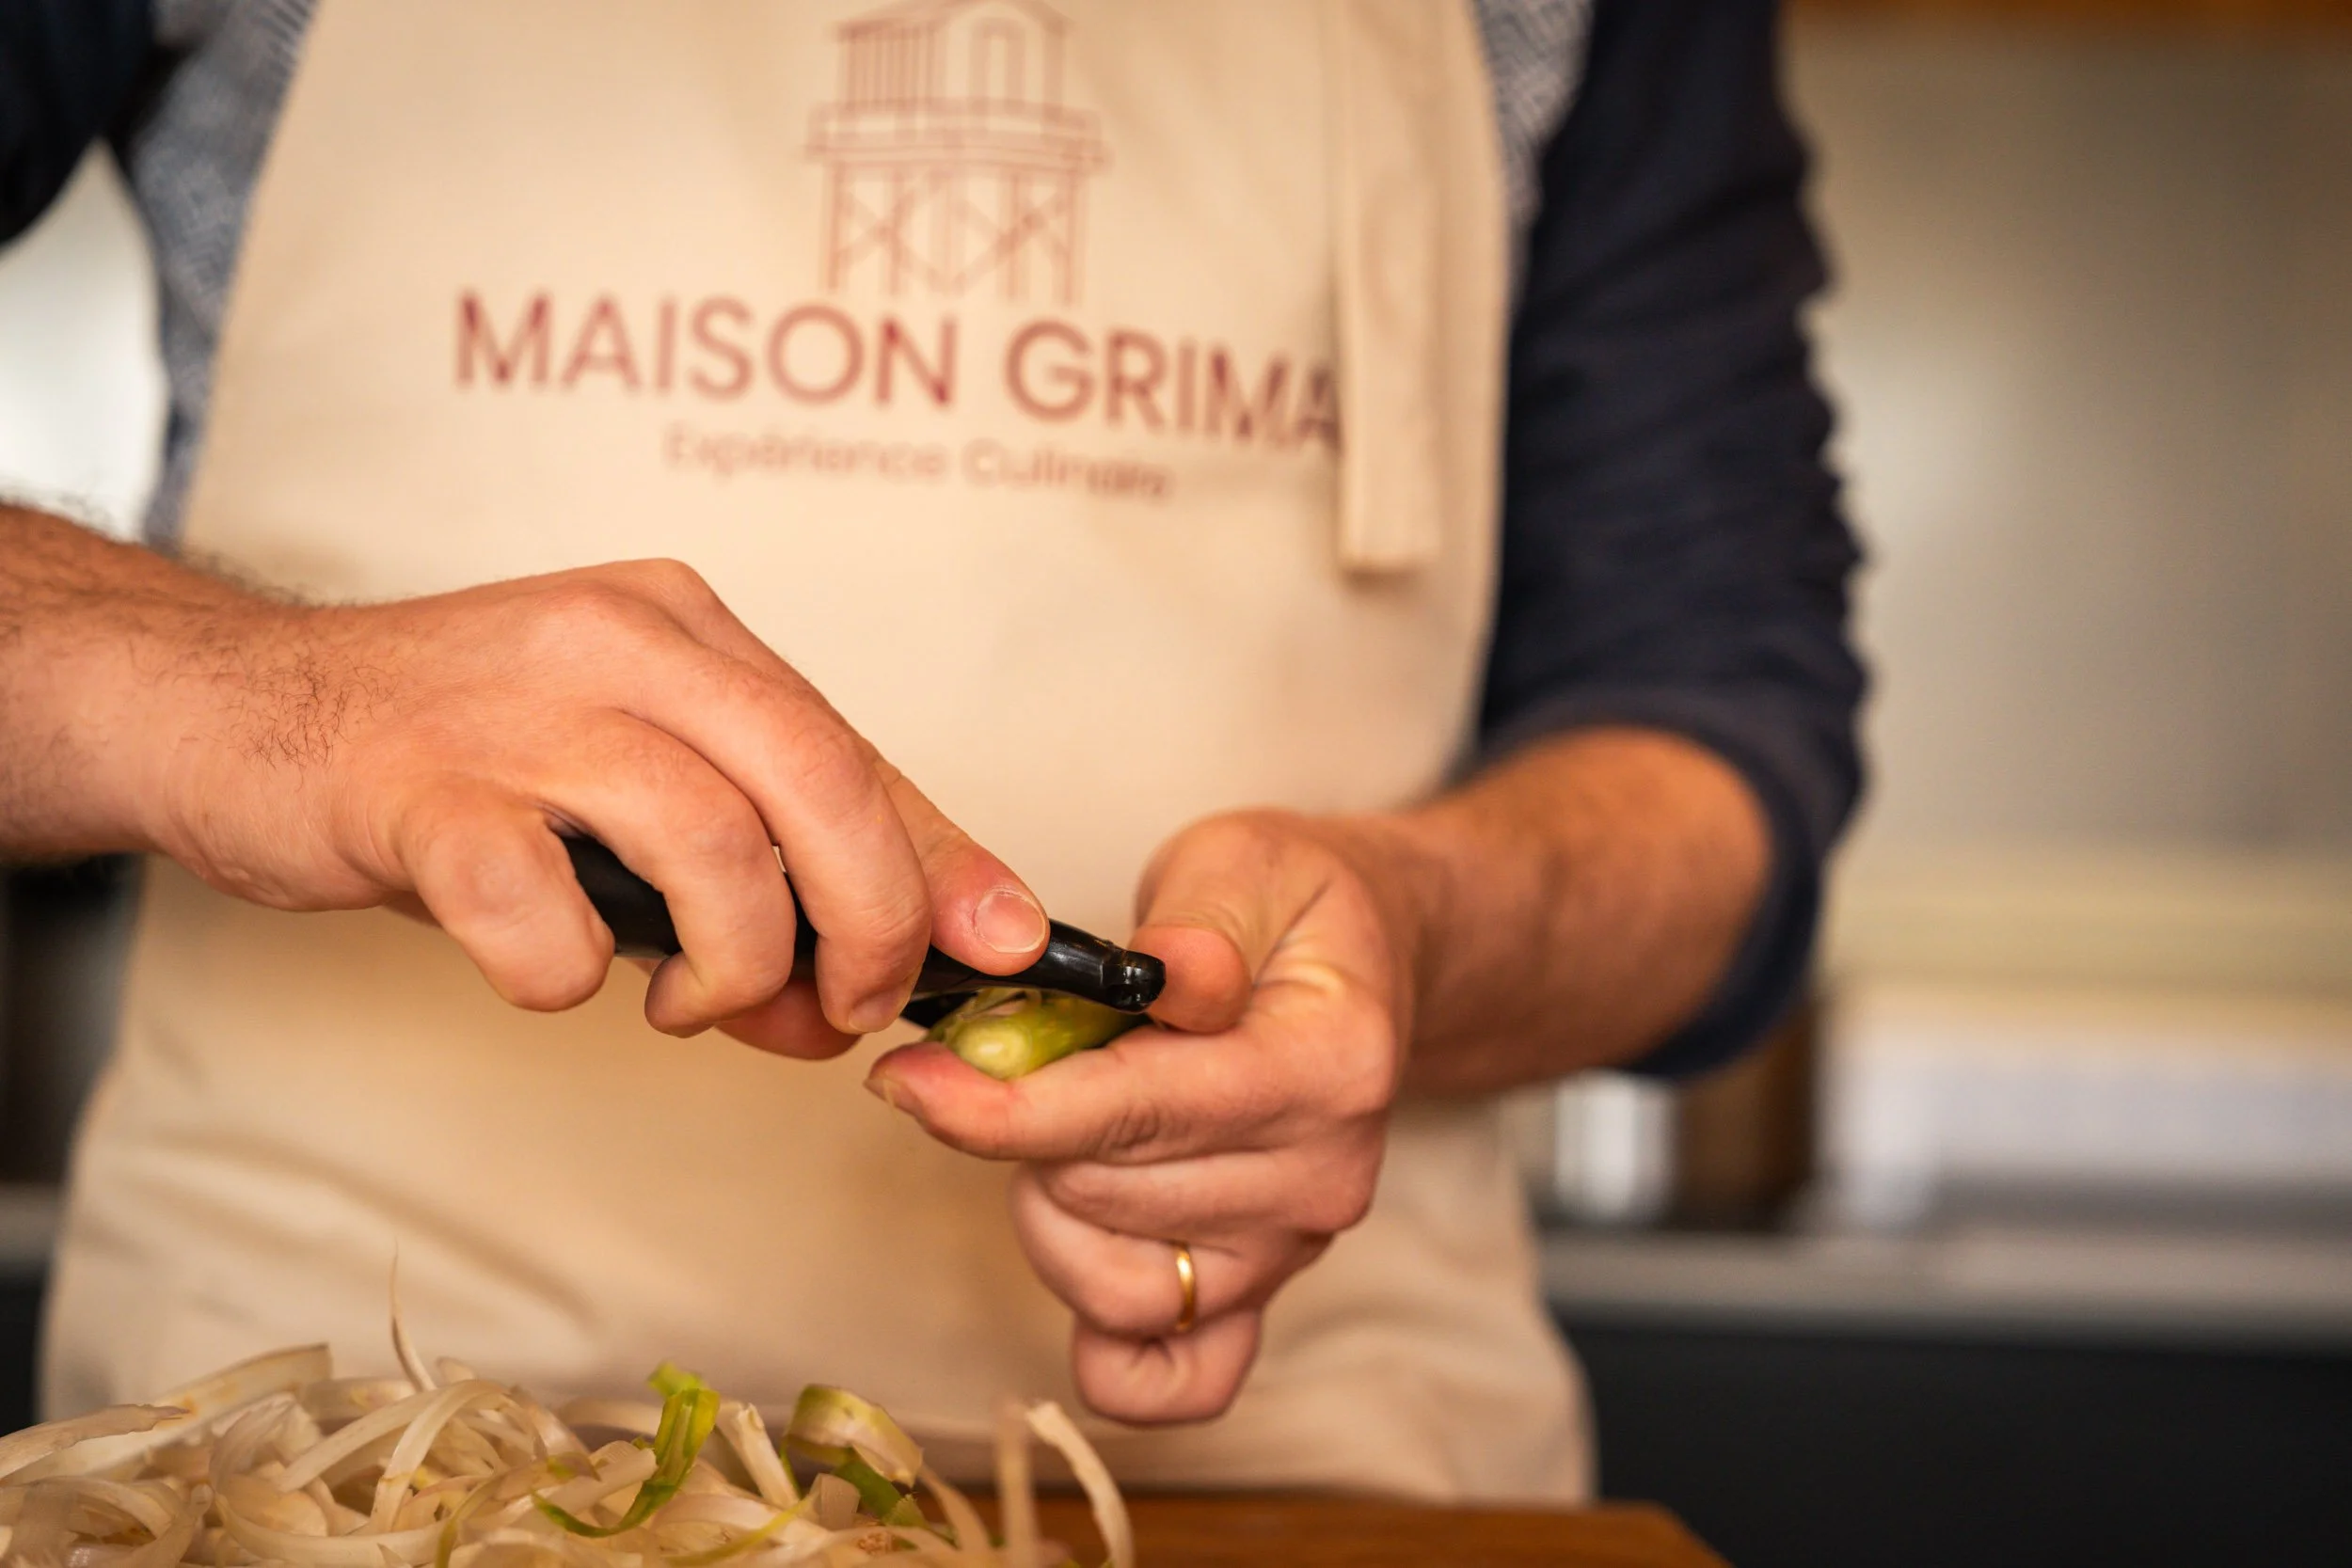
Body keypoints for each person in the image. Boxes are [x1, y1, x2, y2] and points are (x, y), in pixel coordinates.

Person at [0, 0, 1863, 1500]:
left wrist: (1417, 926)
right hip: (315, 1475)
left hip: (1283, 1484)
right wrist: (255, 696)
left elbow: (1711, 741)